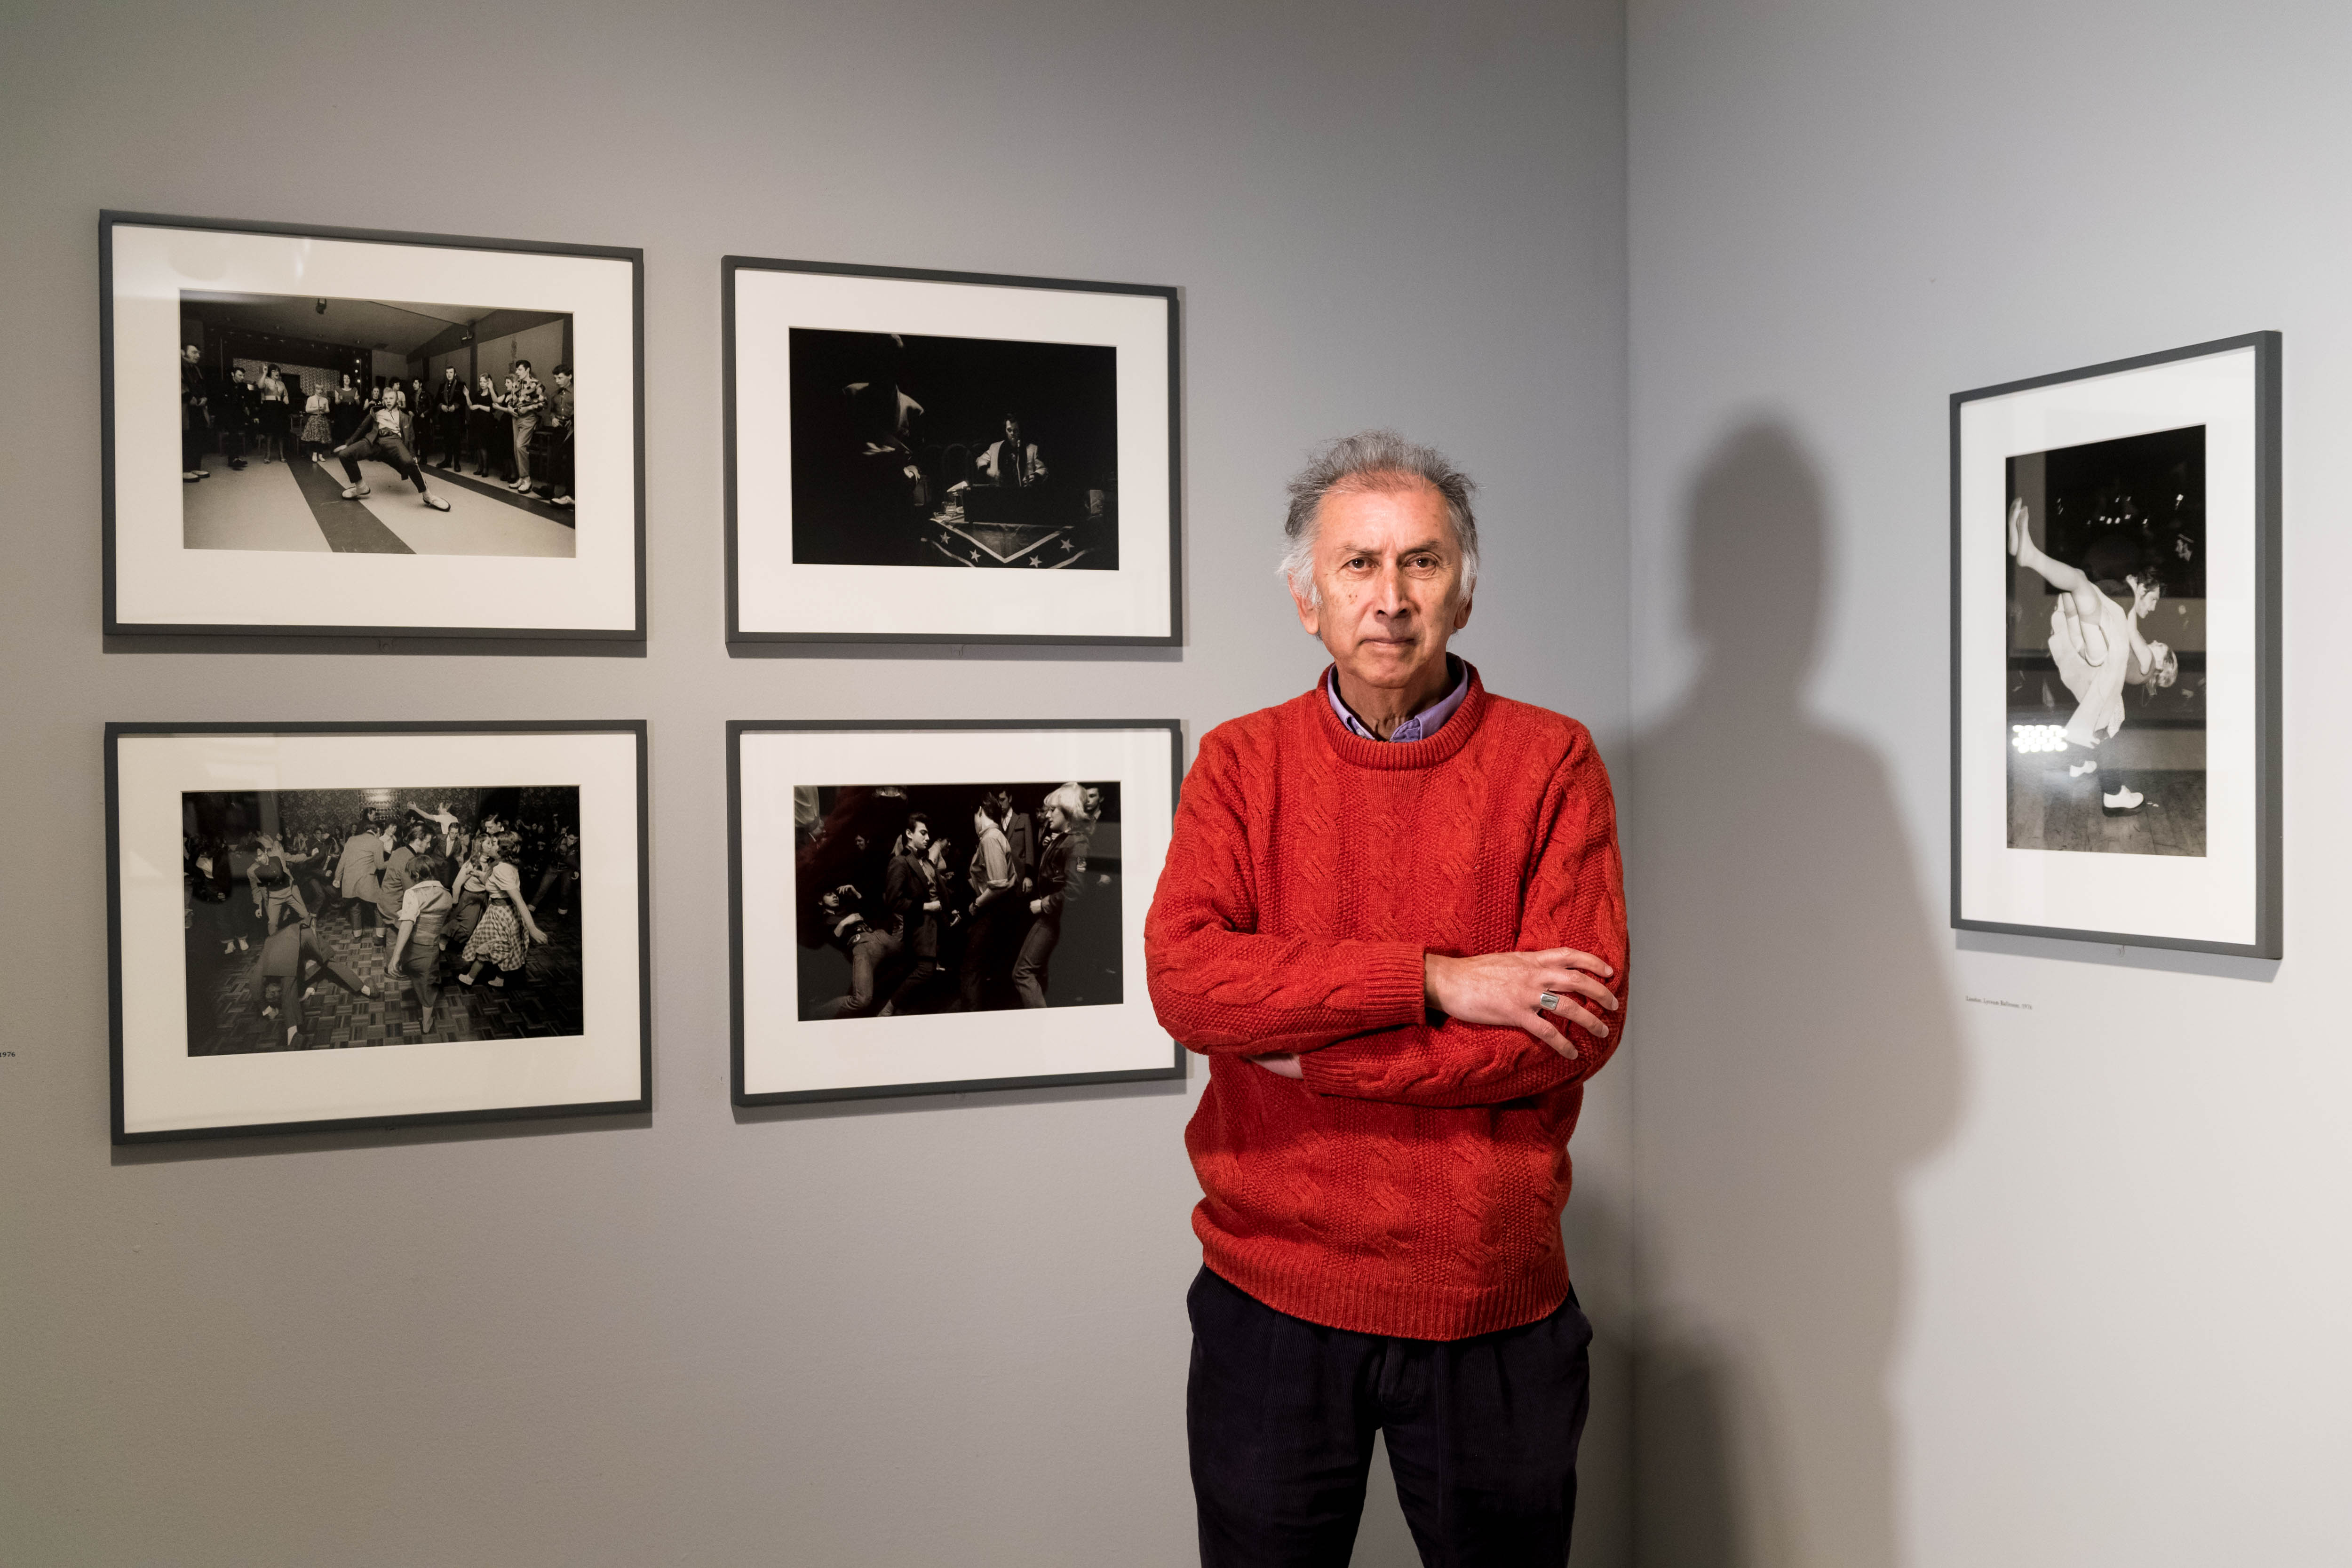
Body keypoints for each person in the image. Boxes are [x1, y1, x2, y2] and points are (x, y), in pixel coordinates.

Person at [1144, 430, 1627, 1565]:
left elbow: (1565, 1031)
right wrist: (1434, 981)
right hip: (1269, 1298)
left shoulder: (1553, 762)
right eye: (1357, 565)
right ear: (1308, 602)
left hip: (1490, 1307)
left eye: (1421, 562)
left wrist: (1308, 1055)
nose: (1391, 597)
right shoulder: (1238, 764)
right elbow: (1186, 982)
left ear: (1464, 593)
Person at [2006, 496, 2178, 814]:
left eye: (2161, 646)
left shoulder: (2147, 663)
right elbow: (2128, 634)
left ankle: (2108, 789)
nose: (2157, 641)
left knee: (2080, 588)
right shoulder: (2133, 650)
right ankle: (2086, 767)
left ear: (2162, 663)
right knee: (2077, 588)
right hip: (2090, 650)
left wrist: (2137, 599)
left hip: (2096, 653)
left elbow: (2132, 637)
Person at [1012, 783, 1099, 1008]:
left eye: (1053, 810)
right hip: (1055, 918)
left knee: (1022, 973)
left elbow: (1076, 890)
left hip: (1054, 918)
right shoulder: (1064, 838)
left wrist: (1044, 904)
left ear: (1068, 811)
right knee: (1045, 978)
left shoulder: (1077, 843)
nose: (1047, 815)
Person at [249, 914, 374, 1050]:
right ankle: (367, 990)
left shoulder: (275, 970)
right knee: (330, 963)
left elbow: (280, 994)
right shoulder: (266, 953)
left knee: (288, 993)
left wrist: (267, 1010)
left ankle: (293, 1038)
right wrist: (309, 989)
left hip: (299, 939)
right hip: (302, 932)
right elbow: (255, 985)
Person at [328, 394, 453, 512]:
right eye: (386, 398)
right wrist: (348, 443)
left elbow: (410, 439)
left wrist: (413, 455)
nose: (388, 401)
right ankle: (361, 487)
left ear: (397, 401)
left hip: (394, 441)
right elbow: (362, 427)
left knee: (409, 462)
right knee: (345, 454)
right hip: (375, 441)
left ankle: (428, 496)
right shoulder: (376, 412)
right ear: (383, 400)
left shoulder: (405, 417)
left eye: (391, 398)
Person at [458, 832, 547, 990]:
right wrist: (478, 874)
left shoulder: (502, 870)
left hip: (500, 915)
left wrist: (533, 929)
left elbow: (518, 900)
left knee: (486, 946)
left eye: (493, 843)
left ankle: (468, 978)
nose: (490, 846)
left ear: (502, 849)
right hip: (504, 911)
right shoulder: (503, 865)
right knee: (507, 946)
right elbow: (493, 884)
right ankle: (500, 979)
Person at [957, 796, 1021, 1011]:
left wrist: (976, 904)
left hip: (992, 911)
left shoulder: (990, 838)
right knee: (984, 966)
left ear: (981, 813)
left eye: (975, 816)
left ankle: (971, 1018)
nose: (974, 821)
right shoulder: (995, 836)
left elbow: (999, 885)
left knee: (971, 968)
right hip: (999, 911)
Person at [385, 851, 455, 1033]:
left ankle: (411, 979)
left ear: (416, 875)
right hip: (431, 953)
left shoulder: (412, 893)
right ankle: (426, 1023)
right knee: (428, 990)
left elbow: (408, 925)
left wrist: (395, 956)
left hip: (411, 951)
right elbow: (439, 919)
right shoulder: (447, 895)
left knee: (413, 974)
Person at [247, 833, 316, 934]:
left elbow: (294, 858)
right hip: (274, 897)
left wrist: (310, 855)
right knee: (272, 923)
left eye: (261, 856)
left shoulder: (277, 855)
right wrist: (259, 906)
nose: (260, 859)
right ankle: (274, 944)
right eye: (256, 858)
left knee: (305, 915)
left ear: (265, 851)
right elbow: (256, 889)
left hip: (290, 892)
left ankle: (314, 936)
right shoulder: (252, 871)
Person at [335, 818, 388, 936]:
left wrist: (337, 878)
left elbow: (342, 861)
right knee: (379, 906)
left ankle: (357, 935)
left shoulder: (351, 839)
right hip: (366, 881)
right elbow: (380, 866)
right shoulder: (378, 842)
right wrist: (393, 859)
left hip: (349, 880)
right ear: (377, 832)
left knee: (355, 908)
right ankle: (380, 936)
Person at [507, 359, 546, 494]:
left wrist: (529, 408)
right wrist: (510, 408)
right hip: (515, 418)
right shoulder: (517, 384)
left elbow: (544, 404)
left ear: (528, 370)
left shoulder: (536, 385)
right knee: (516, 448)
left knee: (520, 446)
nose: (517, 372)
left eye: (520, 370)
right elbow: (511, 401)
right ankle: (521, 478)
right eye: (517, 370)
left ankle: (527, 479)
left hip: (528, 419)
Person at [974, 414, 1046, 488]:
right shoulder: (995, 448)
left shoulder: (1032, 449)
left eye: (1015, 430)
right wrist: (988, 471)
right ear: (1005, 430)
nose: (1012, 433)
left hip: (1024, 493)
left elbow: (1043, 469)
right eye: (1009, 430)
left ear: (1020, 430)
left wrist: (1035, 476)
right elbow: (980, 460)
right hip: (999, 493)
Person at [179, 344, 213, 482]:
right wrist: (188, 398)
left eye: (198, 353)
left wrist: (204, 398)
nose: (198, 356)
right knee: (187, 438)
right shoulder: (178, 367)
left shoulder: (196, 370)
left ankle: (195, 467)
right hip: (186, 409)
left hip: (199, 408)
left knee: (198, 437)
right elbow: (179, 386)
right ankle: (184, 470)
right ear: (183, 353)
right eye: (194, 352)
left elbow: (202, 386)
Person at [547, 364, 575, 508]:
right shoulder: (555, 394)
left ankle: (570, 495)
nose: (557, 381)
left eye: (560, 378)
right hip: (559, 428)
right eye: (555, 378)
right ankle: (550, 489)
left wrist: (573, 419)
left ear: (570, 376)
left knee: (571, 461)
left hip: (572, 431)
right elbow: (552, 411)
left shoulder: (577, 392)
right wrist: (553, 419)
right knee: (554, 458)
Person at [434, 366, 470, 469]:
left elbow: (464, 400)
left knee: (456, 441)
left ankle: (457, 464)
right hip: (445, 418)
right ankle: (447, 461)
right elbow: (437, 400)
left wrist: (456, 406)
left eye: (451, 372)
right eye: (447, 372)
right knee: (447, 441)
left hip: (457, 418)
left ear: (455, 374)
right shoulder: (442, 386)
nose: (449, 374)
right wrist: (442, 406)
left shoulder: (461, 385)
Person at [219, 366, 252, 470]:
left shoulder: (243, 386)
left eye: (243, 375)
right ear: (233, 374)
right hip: (226, 416)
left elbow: (249, 400)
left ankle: (236, 458)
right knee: (234, 432)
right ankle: (233, 460)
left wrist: (252, 414)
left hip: (238, 415)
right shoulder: (225, 385)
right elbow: (221, 403)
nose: (242, 378)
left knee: (248, 428)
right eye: (240, 375)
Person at [299, 382, 333, 464]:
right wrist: (317, 408)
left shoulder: (325, 400)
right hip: (314, 419)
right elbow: (307, 410)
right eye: (318, 389)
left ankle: (321, 455)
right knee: (315, 437)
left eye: (321, 389)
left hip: (322, 419)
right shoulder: (311, 399)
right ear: (315, 389)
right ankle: (315, 454)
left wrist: (324, 409)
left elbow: (328, 411)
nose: (320, 391)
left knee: (322, 438)